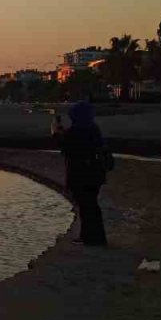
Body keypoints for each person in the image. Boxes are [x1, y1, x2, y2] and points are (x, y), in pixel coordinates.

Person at [59, 101, 111, 246]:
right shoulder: (94, 129)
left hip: (80, 174)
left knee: (86, 206)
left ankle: (92, 239)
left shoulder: (74, 132)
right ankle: (92, 236)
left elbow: (66, 150)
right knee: (90, 204)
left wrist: (59, 134)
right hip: (96, 173)